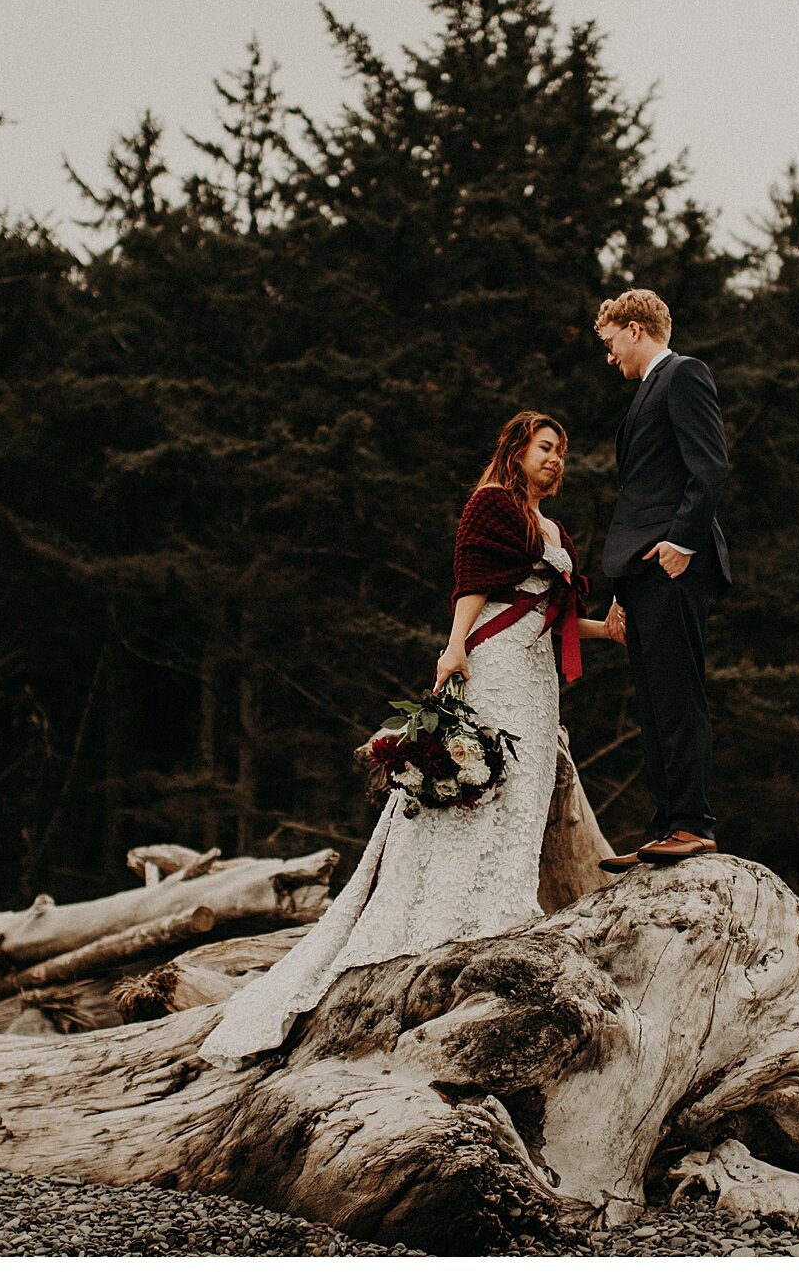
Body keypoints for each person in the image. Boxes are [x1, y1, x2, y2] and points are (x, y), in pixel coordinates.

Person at [199, 411, 617, 1069]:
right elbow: (472, 585)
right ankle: (443, 920)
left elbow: (553, 611)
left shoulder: (555, 528)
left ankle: (504, 909)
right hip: (494, 662)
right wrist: (454, 650)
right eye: (545, 448)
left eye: (562, 451)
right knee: (478, 784)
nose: (556, 460)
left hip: (539, 679)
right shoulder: (492, 504)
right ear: (516, 449)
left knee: (524, 794)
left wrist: (608, 631)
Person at [590, 289, 731, 874]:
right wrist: (622, 589)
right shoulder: (647, 390)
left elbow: (710, 464)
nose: (610, 357)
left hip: (674, 565)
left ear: (633, 328)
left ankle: (692, 825)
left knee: (677, 693)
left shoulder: (684, 375)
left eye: (609, 343)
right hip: (641, 574)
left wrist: (683, 542)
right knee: (652, 701)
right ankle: (666, 826)